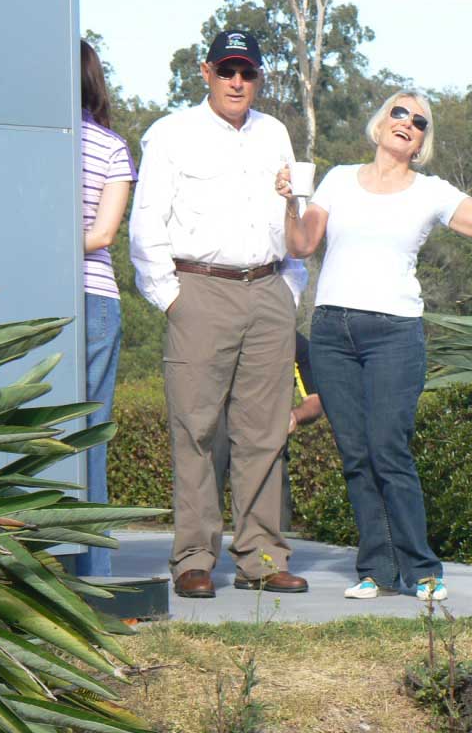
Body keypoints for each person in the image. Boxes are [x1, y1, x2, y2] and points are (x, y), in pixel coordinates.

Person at [276, 90, 472, 601]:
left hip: (394, 334)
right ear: (380, 125)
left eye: (419, 121)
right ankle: (376, 572)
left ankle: (423, 571)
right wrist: (291, 201)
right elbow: (302, 244)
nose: (407, 122)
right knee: (356, 454)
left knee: (388, 449)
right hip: (332, 331)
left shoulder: (430, 192)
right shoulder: (337, 179)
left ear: (422, 142)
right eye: (399, 113)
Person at [129, 30, 309, 598]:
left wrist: (291, 287)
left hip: (269, 289)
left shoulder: (274, 133)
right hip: (199, 290)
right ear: (206, 72)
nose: (236, 82)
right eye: (227, 70)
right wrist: (171, 297)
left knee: (264, 433)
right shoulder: (171, 133)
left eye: (247, 72)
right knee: (197, 429)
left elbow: (295, 211)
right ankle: (193, 558)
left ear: (259, 78)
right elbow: (146, 222)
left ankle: (262, 557)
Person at [76, 40, 136, 577]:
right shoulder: (111, 147)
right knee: (92, 431)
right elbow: (103, 234)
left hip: (45, 293)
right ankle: (93, 571)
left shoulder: (29, 144)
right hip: (96, 295)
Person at [212, 331, 324, 531]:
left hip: (266, 432)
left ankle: (271, 547)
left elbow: (315, 401)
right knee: (203, 500)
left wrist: (295, 416)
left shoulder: (293, 342)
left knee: (272, 525)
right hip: (216, 424)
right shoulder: (216, 332)